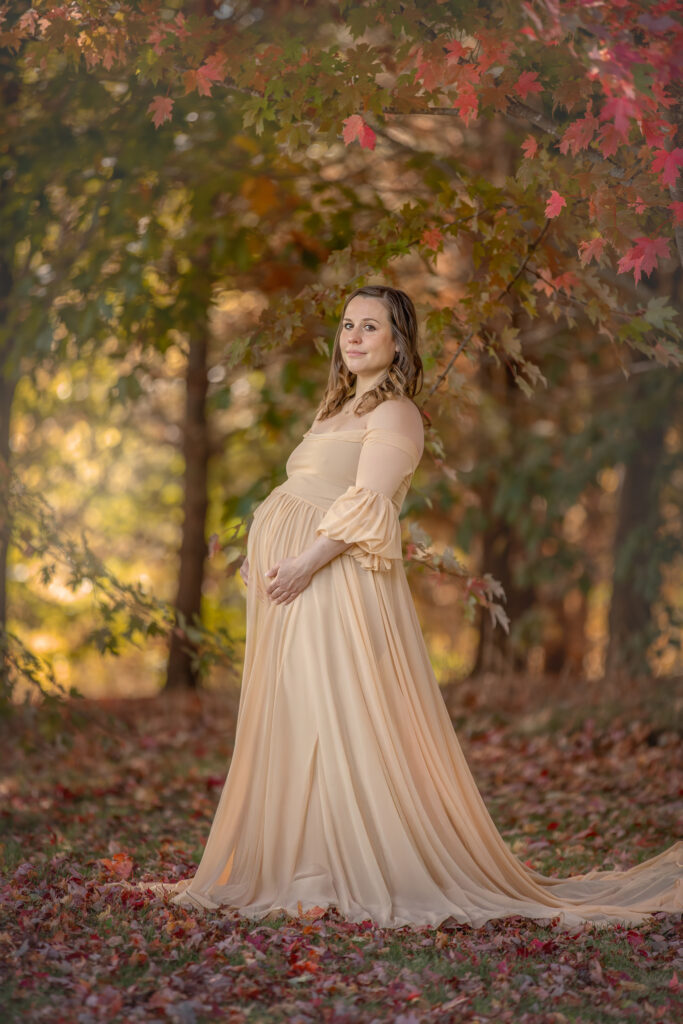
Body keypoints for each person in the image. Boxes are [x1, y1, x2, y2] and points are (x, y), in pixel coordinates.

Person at [146, 285, 682, 929]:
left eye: (370, 327)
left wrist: (302, 563)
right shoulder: (336, 409)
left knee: (336, 711)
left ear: (398, 342)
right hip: (296, 583)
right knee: (300, 711)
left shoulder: (396, 413)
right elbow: (306, 490)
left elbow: (370, 506)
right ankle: (306, 861)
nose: (354, 336)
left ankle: (350, 865)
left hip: (333, 580)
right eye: (348, 324)